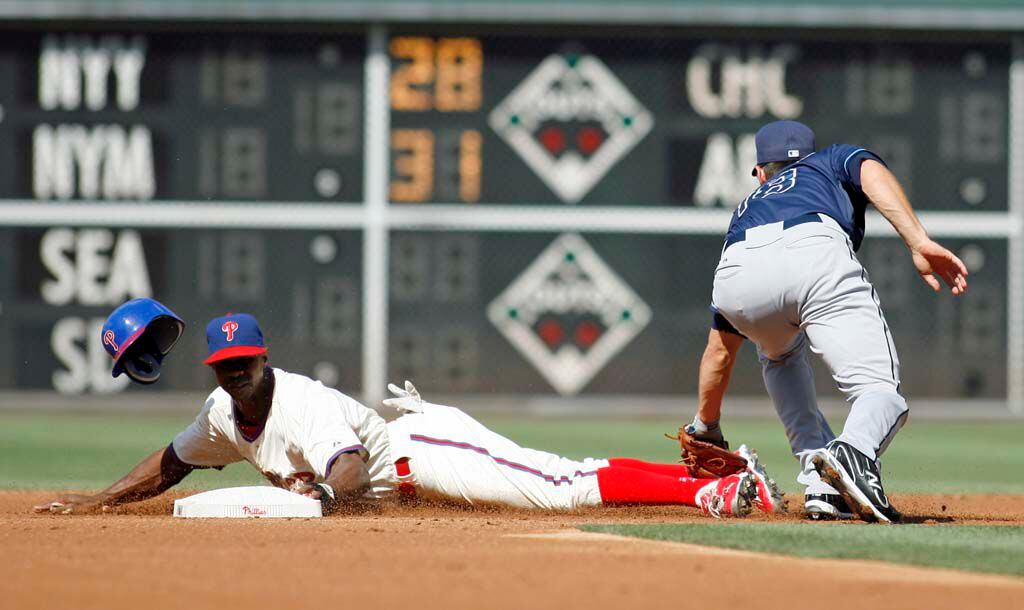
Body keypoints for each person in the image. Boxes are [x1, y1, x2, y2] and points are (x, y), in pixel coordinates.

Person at [36, 312, 784, 518]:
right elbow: (170, 462)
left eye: (247, 362)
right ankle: (722, 478)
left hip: (422, 450)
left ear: (266, 360)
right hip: (408, 474)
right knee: (565, 480)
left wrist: (318, 492)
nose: (237, 373)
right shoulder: (220, 414)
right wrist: (98, 501)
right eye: (226, 367)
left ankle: (709, 488)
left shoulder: (297, 403)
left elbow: (353, 471)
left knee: (564, 482)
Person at [684, 120, 968, 523]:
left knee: (779, 356)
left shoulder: (745, 210)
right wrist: (917, 239)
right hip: (813, 249)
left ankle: (822, 485)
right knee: (879, 391)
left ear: (759, 173)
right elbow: (869, 170)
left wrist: (706, 424)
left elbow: (719, 352)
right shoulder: (829, 162)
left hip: (737, 269)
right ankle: (853, 452)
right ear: (810, 155)